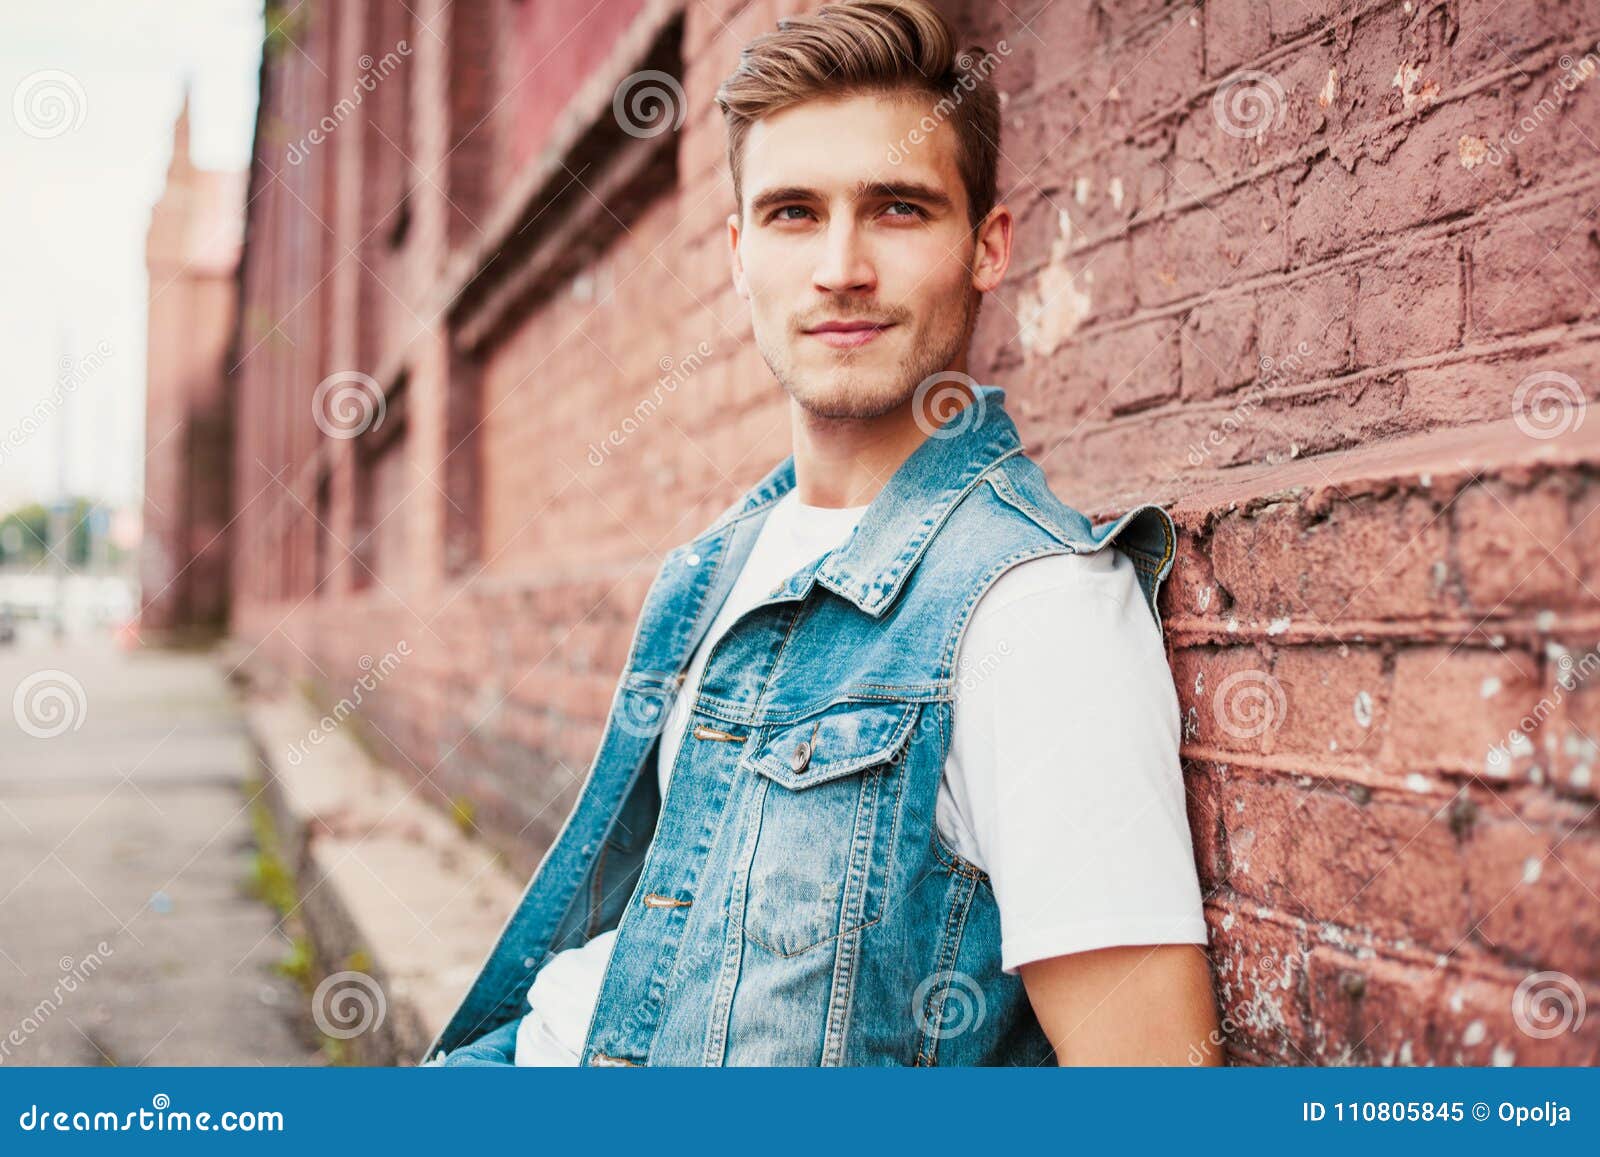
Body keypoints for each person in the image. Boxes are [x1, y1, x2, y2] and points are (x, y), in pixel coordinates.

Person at [425, 0, 1218, 1067]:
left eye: (896, 208)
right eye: (794, 213)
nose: (840, 265)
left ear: (987, 246)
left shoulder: (1034, 609)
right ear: (740, 250)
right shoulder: (719, 562)